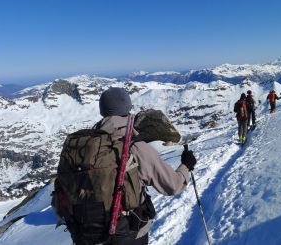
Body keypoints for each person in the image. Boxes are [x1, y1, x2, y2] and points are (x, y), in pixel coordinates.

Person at [52, 87, 196, 245]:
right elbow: (172, 185)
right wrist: (186, 166)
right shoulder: (134, 147)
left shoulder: (85, 145)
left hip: (84, 235)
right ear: (128, 109)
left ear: (103, 111)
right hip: (127, 234)